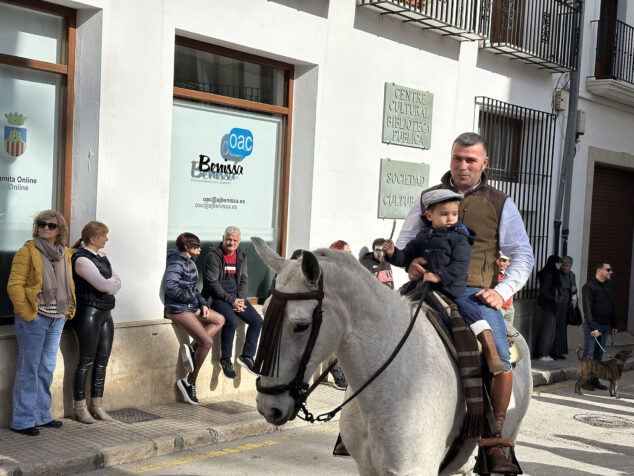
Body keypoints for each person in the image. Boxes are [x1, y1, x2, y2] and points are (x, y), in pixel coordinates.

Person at [395, 132, 534, 473]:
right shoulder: (428, 197)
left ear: (484, 164)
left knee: (500, 356)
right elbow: (406, 240)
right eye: (458, 158)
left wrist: (500, 292)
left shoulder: (501, 202)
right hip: (426, 287)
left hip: (475, 293)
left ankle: (494, 443)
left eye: (471, 160)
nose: (463, 166)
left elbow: (523, 255)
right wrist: (409, 264)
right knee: (374, 328)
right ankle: (355, 423)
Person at [384, 189, 504, 374]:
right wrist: (393, 254)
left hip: (450, 289)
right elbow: (406, 258)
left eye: (454, 214)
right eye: (444, 214)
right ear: (429, 215)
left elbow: (460, 266)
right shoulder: (422, 237)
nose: (450, 218)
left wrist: (439, 275)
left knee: (469, 310)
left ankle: (489, 347)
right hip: (422, 287)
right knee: (394, 305)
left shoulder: (459, 239)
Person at [7, 210, 76, 436]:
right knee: (29, 368)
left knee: (46, 368)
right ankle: (22, 419)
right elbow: (14, 285)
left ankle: (41, 415)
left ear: (60, 229)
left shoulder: (64, 253)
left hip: (57, 319)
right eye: (41, 224)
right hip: (35, 319)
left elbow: (70, 283)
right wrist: (29, 314)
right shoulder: (27, 252)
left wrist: (69, 310)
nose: (45, 228)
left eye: (51, 225)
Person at [70, 221, 121, 423]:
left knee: (102, 362)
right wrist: (109, 285)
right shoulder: (81, 258)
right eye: (104, 235)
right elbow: (102, 284)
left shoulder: (102, 257)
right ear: (93, 238)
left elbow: (116, 281)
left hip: (106, 313)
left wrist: (110, 285)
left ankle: (97, 406)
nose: (107, 239)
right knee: (85, 362)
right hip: (88, 313)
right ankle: (79, 407)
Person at [164, 232, 224, 404]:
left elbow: (193, 289)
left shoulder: (189, 262)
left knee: (219, 319)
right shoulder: (177, 262)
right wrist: (192, 301)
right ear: (186, 247)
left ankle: (191, 348)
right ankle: (190, 381)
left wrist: (203, 303)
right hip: (178, 309)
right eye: (196, 245)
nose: (199, 248)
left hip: (189, 306)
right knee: (207, 342)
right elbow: (171, 288)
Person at [202, 226, 262, 379]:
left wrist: (241, 299)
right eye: (229, 239)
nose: (231, 243)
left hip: (236, 298)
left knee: (257, 321)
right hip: (218, 298)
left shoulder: (241, 255)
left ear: (239, 240)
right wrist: (232, 301)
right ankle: (225, 359)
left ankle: (247, 356)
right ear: (223, 238)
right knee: (231, 321)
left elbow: (244, 279)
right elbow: (212, 284)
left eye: (235, 240)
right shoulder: (214, 256)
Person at [581, 262, 617, 391]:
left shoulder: (608, 286)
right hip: (594, 325)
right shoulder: (589, 287)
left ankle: (594, 379)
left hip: (606, 325)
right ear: (599, 271)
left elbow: (612, 306)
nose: (610, 272)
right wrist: (592, 327)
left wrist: (614, 324)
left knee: (598, 354)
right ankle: (584, 380)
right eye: (608, 269)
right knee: (589, 353)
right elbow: (587, 308)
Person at [533, 255, 562, 361]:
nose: (560, 265)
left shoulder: (554, 274)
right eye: (558, 263)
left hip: (552, 305)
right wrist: (554, 300)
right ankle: (541, 354)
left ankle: (545, 352)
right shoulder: (548, 275)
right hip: (548, 305)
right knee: (546, 330)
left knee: (551, 330)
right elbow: (544, 292)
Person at [550, 256, 577, 360]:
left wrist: (574, 289)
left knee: (562, 328)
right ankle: (554, 351)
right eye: (564, 265)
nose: (565, 267)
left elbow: (573, 290)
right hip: (557, 305)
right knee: (556, 328)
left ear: (571, 266)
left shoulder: (571, 275)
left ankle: (560, 350)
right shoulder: (557, 274)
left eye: (568, 266)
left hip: (567, 305)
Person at [496, 252, 515, 325]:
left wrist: (511, 303)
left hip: (509, 307)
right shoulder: (493, 274)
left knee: (510, 332)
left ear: (508, 262)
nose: (501, 263)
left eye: (504, 261)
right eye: (499, 260)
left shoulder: (511, 273)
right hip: (498, 307)